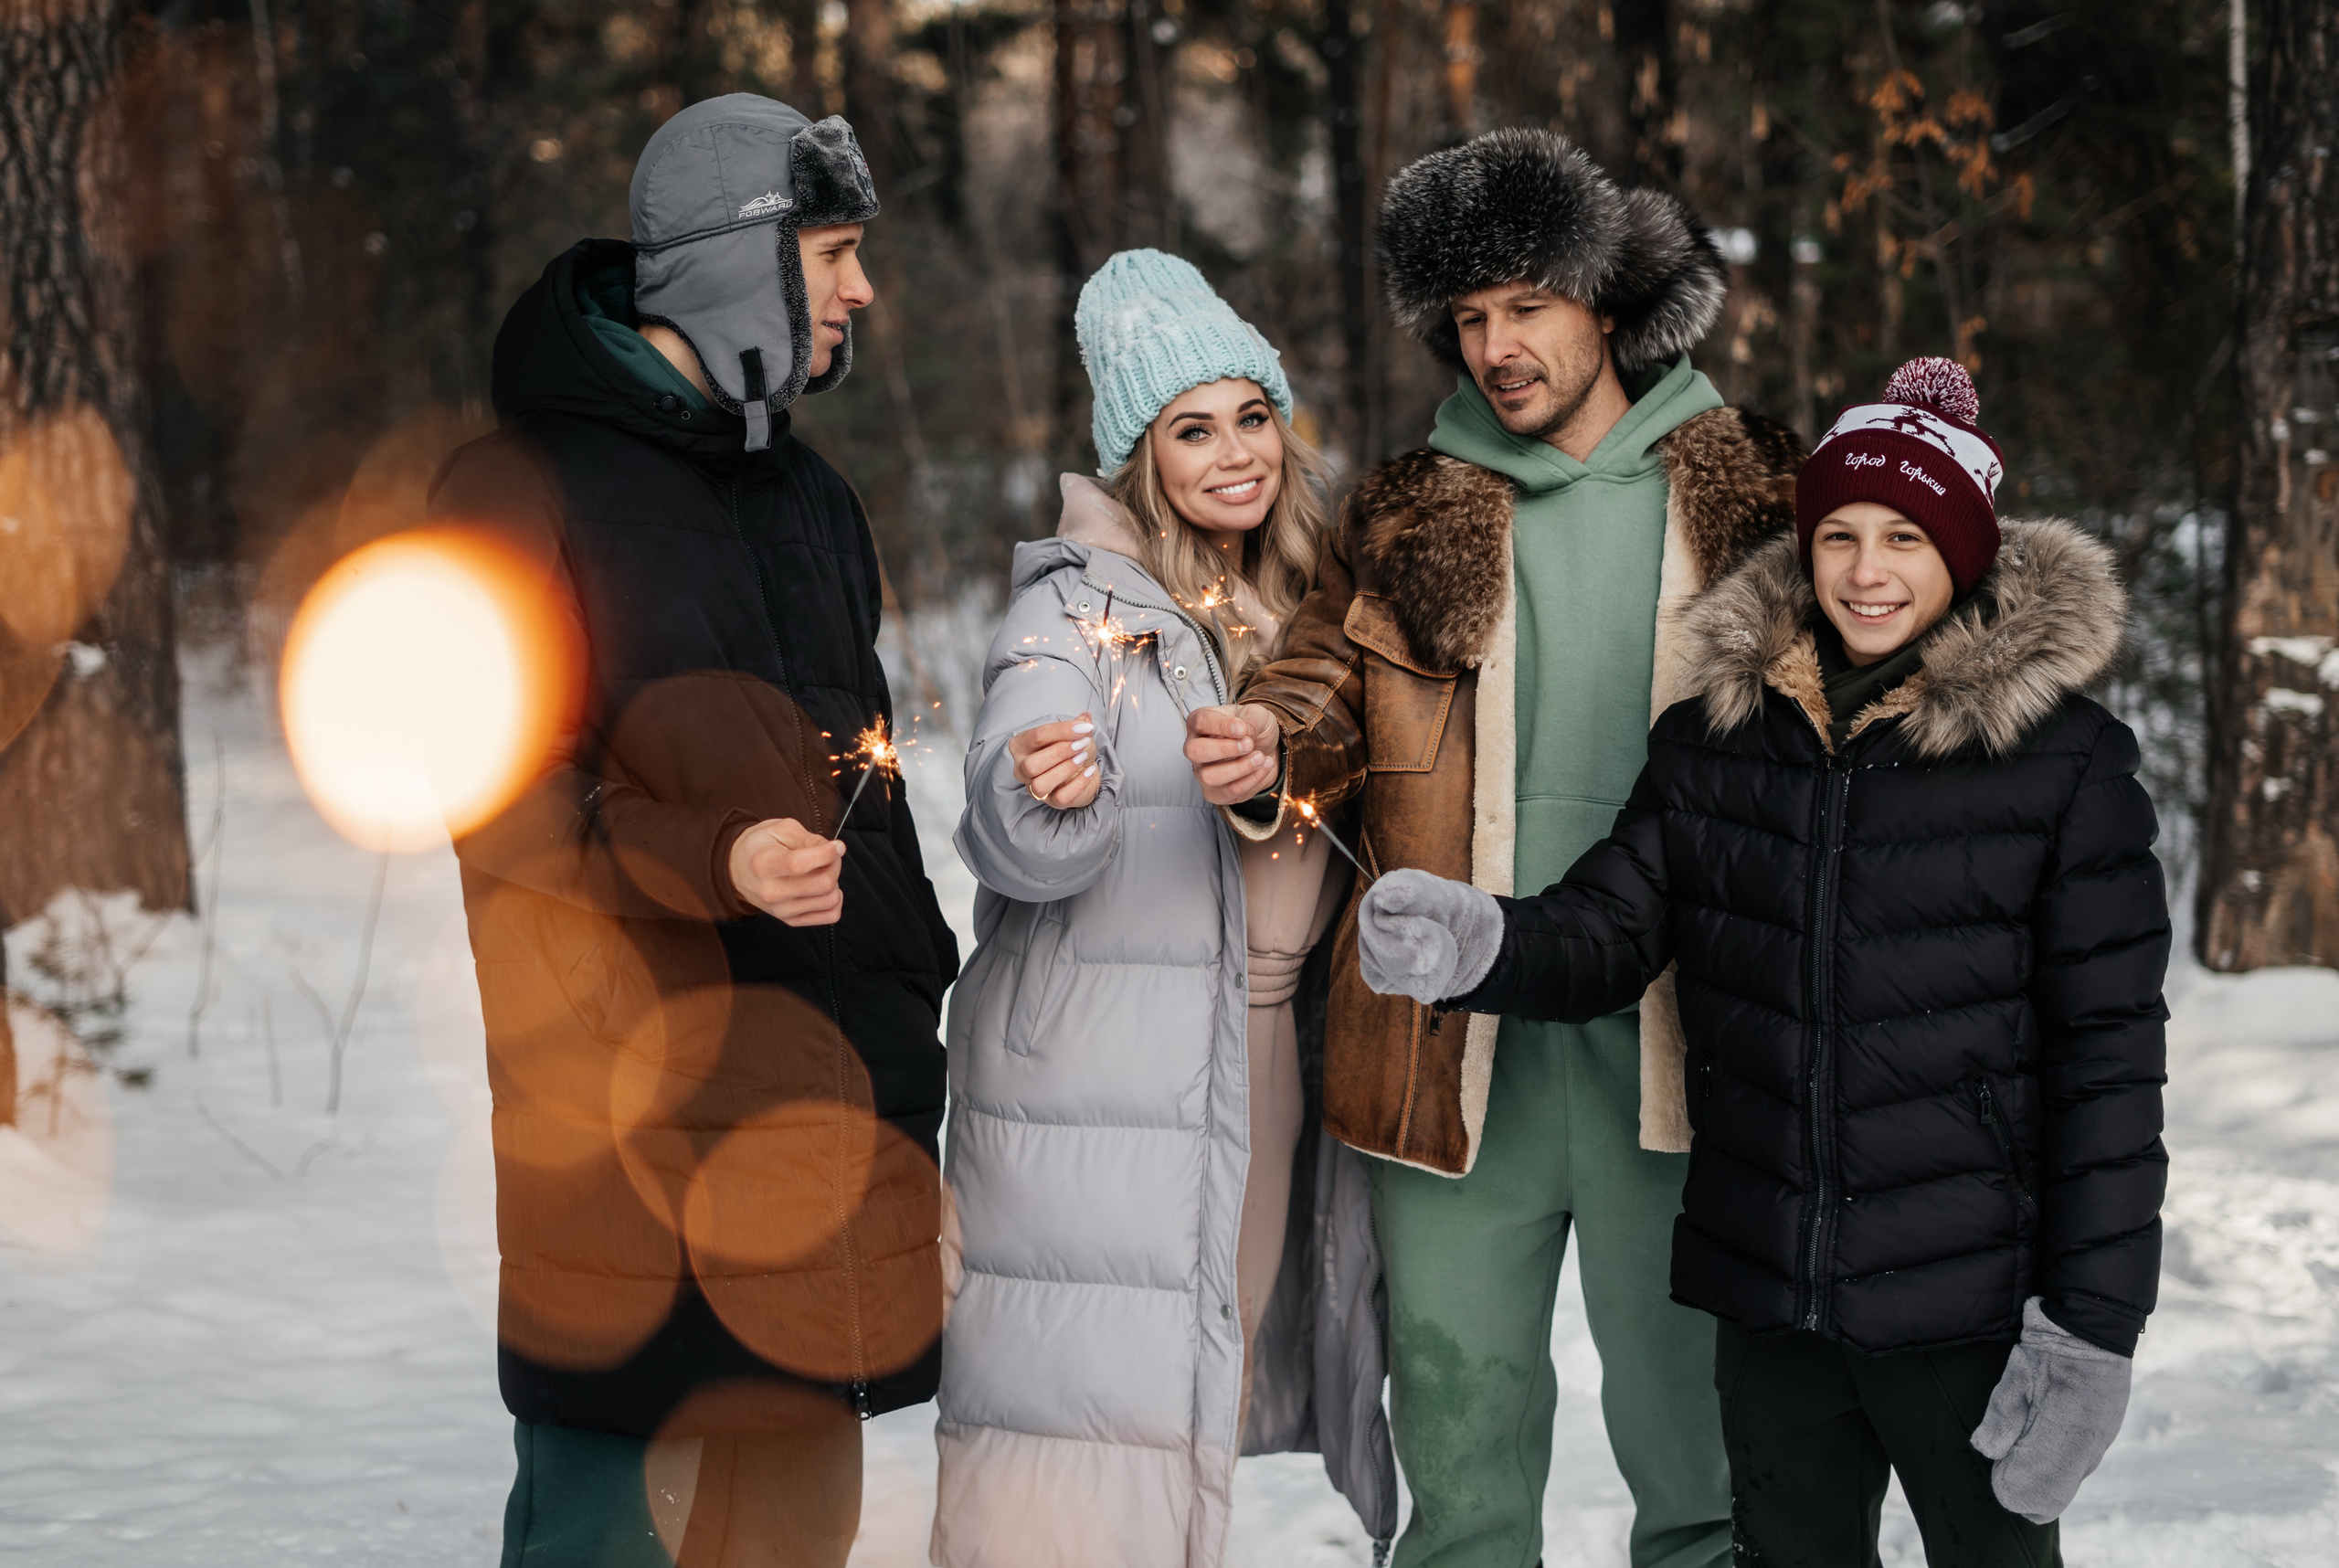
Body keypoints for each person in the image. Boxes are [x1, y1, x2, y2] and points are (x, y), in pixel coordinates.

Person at [1355, 357, 2170, 1567]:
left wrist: (2091, 1331)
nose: (1866, 570)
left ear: (1968, 550)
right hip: (1773, 1293)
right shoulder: (1720, 735)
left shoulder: (2066, 766)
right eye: (1837, 533)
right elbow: (1610, 929)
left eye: (1905, 536)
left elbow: (2110, 1075)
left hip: (1969, 1309)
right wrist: (1482, 941)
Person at [1182, 129, 1799, 1568]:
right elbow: (1324, 674)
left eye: (1525, 305)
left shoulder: (1753, 484)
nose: (1497, 345)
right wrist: (1271, 746)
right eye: (1468, 318)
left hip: (1691, 1047)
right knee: (1460, 1483)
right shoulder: (1412, 503)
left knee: (1707, 1477)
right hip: (1448, 1060)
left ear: (1606, 297)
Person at [431, 95, 960, 1567]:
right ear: (741, 266)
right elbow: (498, 805)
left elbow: (872, 813)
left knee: (796, 1537)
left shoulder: (816, 499)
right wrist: (712, 858)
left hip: (816, 1150)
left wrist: (913, 1085)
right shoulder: (510, 490)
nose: (861, 291)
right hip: (624, 1148)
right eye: (837, 253)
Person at [933, 249, 1394, 1568]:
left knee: (1203, 1393)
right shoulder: (1078, 612)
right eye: (1193, 429)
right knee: (1086, 1432)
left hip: (1259, 1071)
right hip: (1107, 1082)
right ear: (1140, 456)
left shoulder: (1316, 600)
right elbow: (1009, 805)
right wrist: (1040, 792)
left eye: (1254, 414)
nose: (1236, 453)